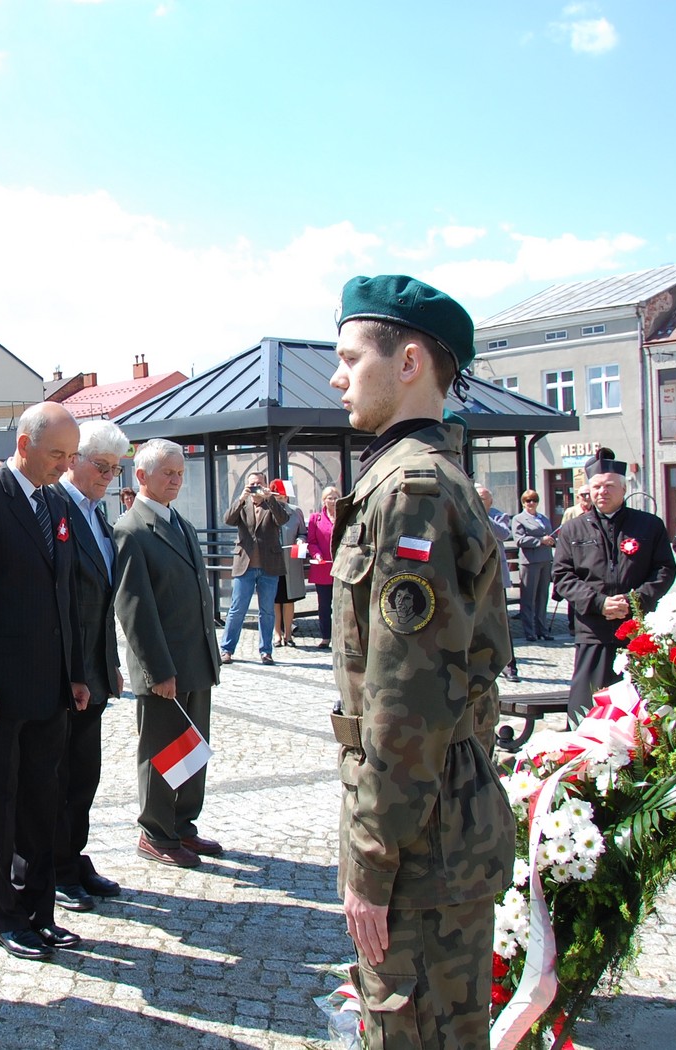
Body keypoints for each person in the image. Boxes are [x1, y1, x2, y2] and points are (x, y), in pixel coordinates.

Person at [326, 275, 514, 1048]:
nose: (336, 378)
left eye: (349, 359)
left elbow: (407, 700)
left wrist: (371, 862)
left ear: (407, 363)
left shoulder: (412, 490)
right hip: (428, 829)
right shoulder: (409, 477)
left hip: (421, 842)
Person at [0, 402, 90, 962]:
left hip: (50, 688)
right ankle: (3, 917)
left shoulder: (55, 501)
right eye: (58, 454)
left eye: (71, 455)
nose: (66, 465)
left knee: (41, 803)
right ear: (24, 445)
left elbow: (65, 593)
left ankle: (38, 911)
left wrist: (76, 673)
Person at [112, 438, 224, 869]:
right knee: (162, 751)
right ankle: (156, 831)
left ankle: (182, 824)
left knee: (192, 749)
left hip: (195, 660)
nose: (177, 480)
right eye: (168, 473)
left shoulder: (181, 523)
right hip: (164, 668)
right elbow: (135, 609)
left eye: (180, 473)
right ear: (141, 476)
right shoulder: (131, 530)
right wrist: (158, 670)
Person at [53, 420, 127, 912]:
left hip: (95, 669)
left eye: (115, 469)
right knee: (58, 777)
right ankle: (55, 867)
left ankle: (72, 856)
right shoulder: (54, 506)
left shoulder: (97, 515)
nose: (107, 477)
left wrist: (110, 662)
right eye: (101, 466)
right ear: (74, 459)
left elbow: (101, 604)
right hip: (64, 672)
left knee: (84, 775)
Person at [552, 452, 676, 721]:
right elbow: (562, 576)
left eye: (609, 486)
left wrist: (635, 601)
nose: (602, 492)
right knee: (586, 711)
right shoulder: (572, 529)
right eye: (596, 486)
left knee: (640, 711)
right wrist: (599, 603)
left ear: (623, 488)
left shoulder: (649, 525)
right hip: (593, 630)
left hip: (636, 630)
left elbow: (665, 569)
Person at [219, 470, 289, 665]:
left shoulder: (272, 504)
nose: (256, 487)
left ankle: (266, 651)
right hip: (245, 565)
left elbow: (283, 520)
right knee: (237, 609)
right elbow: (228, 519)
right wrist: (241, 498)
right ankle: (226, 649)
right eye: (252, 484)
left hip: (269, 566)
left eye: (259, 483)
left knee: (267, 611)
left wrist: (270, 499)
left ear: (265, 485)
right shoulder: (243, 504)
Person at [477, 484, 521, 682]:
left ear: (490, 501)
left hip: (496, 577)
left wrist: (483, 514)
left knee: (501, 622)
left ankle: (509, 665)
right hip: (474, 575)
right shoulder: (463, 513)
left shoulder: (497, 516)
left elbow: (503, 534)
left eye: (482, 498)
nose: (478, 501)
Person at [511, 489, 557, 641]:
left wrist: (551, 540)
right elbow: (519, 540)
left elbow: (549, 534)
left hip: (545, 559)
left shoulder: (543, 518)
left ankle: (542, 630)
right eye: (528, 500)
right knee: (529, 598)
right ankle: (529, 631)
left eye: (534, 500)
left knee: (543, 597)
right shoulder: (519, 519)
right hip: (530, 561)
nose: (531, 503)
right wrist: (540, 541)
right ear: (523, 503)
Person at [270, 480, 306, 647]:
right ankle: (277, 633)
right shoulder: (268, 510)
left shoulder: (295, 511)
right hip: (273, 562)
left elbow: (303, 533)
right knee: (275, 600)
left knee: (288, 599)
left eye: (283, 496)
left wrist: (300, 541)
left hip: (291, 563)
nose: (281, 499)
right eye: (277, 496)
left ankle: (289, 635)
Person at [306, 486, 338, 651]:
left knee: (341, 605)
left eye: (335, 498)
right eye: (329, 498)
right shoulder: (315, 519)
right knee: (324, 605)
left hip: (340, 568)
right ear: (324, 501)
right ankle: (326, 637)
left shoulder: (344, 517)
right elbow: (311, 542)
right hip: (323, 568)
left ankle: (341, 637)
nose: (333, 501)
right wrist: (316, 554)